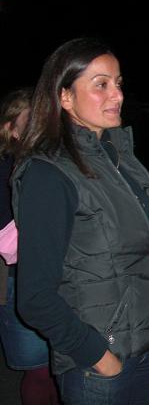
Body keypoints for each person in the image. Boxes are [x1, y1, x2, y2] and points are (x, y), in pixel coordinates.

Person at [12, 37, 149, 405]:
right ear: (65, 96)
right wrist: (98, 356)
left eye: (118, 82)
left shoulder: (118, 156)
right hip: (102, 358)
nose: (117, 94)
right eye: (100, 84)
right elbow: (35, 297)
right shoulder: (49, 173)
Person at [0, 88, 60, 404]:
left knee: (63, 364)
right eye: (31, 119)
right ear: (11, 129)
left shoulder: (52, 162)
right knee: (39, 369)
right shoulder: (7, 169)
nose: (41, 125)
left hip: (57, 276)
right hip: (18, 280)